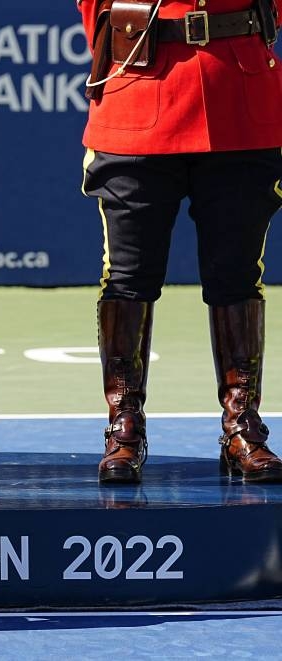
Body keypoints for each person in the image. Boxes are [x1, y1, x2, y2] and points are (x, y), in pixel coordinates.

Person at [78, 0, 282, 483]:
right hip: (140, 87)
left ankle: (241, 427)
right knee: (128, 278)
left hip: (239, 91)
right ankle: (124, 427)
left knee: (237, 275)